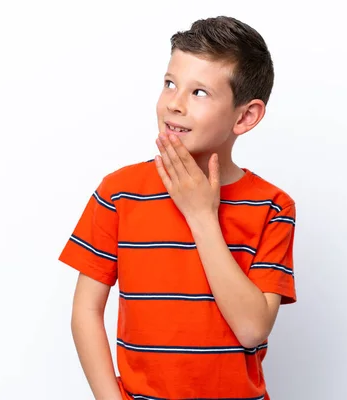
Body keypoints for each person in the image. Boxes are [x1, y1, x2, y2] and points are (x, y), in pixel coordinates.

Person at [59, 15, 297, 400]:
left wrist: (202, 215)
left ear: (245, 116)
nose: (174, 104)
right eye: (170, 83)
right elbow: (85, 312)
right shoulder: (120, 192)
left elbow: (253, 328)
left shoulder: (272, 207)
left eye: (199, 92)